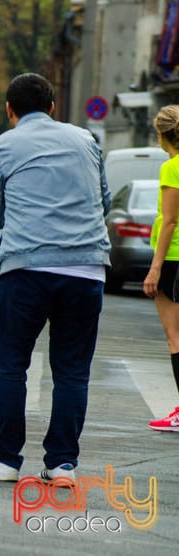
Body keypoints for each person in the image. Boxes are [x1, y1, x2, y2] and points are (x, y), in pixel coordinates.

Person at [0, 72, 111, 483]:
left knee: (12, 364)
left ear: (10, 110)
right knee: (71, 369)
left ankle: (5, 459)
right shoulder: (85, 139)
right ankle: (62, 463)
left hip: (27, 268)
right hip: (86, 268)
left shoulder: (3, 146)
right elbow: (102, 199)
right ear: (53, 107)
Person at [143, 104, 179, 432]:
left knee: (175, 336)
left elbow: (169, 221)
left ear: (161, 133)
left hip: (173, 258)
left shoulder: (171, 167)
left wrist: (154, 268)